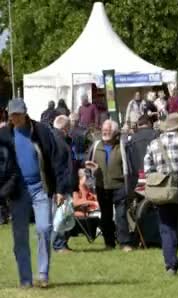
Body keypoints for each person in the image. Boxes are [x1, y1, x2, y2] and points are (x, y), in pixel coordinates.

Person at [0, 98, 71, 288]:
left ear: (25, 113)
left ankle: (43, 274)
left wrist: (61, 189)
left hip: (41, 187)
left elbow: (57, 159)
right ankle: (25, 279)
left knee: (44, 228)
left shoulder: (41, 132)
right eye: (12, 114)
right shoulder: (5, 135)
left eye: (18, 114)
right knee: (20, 235)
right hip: (17, 191)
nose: (14, 118)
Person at [144, 113, 178, 276]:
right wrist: (177, 185)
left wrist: (162, 181)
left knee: (167, 229)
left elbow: (148, 168)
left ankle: (170, 266)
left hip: (163, 193)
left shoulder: (154, 144)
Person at [87, 119, 135, 251]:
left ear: (115, 132)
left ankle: (124, 242)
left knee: (120, 215)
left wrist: (130, 186)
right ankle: (109, 243)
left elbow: (130, 167)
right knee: (106, 215)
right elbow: (87, 164)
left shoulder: (122, 146)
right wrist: (91, 170)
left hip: (119, 186)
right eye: (103, 130)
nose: (105, 132)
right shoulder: (96, 146)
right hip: (101, 186)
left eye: (108, 130)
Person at [51, 115, 76, 253]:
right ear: (65, 128)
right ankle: (59, 245)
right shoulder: (58, 142)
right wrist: (60, 190)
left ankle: (61, 244)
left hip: (58, 186)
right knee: (59, 216)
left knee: (61, 215)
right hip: (59, 187)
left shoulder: (56, 139)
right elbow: (59, 168)